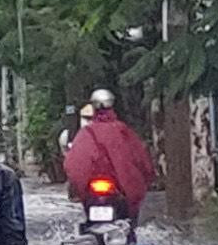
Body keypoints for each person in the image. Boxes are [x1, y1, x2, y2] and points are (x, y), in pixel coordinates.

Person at [63, 88, 155, 221]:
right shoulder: (122, 131)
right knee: (129, 219)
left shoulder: (86, 133)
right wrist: (148, 176)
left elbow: (73, 164)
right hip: (120, 189)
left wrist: (78, 188)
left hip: (93, 191)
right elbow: (139, 157)